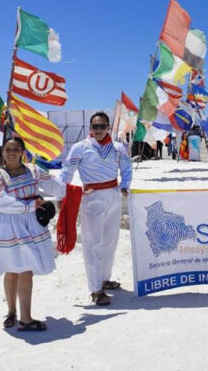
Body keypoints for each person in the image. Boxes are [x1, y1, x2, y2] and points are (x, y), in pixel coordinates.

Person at [0, 137, 65, 332]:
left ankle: (24, 317)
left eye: (16, 149)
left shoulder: (33, 170)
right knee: (11, 269)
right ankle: (13, 312)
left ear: (23, 151)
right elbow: (1, 202)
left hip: (30, 225)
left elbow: (55, 185)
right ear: (3, 152)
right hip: (9, 226)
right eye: (8, 149)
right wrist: (30, 205)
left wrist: (67, 195)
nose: (11, 153)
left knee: (25, 269)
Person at [60, 112, 132, 306]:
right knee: (93, 244)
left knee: (110, 240)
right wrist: (62, 195)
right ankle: (95, 289)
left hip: (113, 196)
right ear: (90, 128)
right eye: (95, 126)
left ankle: (104, 278)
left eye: (102, 126)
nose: (98, 130)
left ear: (108, 127)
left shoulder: (117, 147)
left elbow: (127, 167)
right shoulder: (80, 147)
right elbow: (67, 172)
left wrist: (125, 184)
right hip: (92, 198)